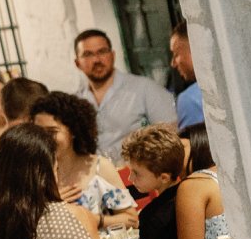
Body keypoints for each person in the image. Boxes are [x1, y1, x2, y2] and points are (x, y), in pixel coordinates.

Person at [30, 91, 137, 229]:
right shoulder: (32, 173)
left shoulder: (99, 167)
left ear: (73, 131)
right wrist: (52, 207)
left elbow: (132, 220)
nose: (44, 139)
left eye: (52, 132)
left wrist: (94, 219)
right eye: (38, 132)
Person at [72, 28, 175, 162]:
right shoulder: (75, 102)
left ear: (113, 55)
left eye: (102, 51)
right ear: (77, 63)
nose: (97, 59)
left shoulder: (144, 88)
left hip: (140, 177)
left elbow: (171, 135)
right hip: (99, 179)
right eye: (88, 54)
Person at [169, 21, 204, 129]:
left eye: (176, 54)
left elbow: (192, 145)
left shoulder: (189, 100)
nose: (173, 63)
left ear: (193, 50)